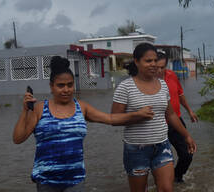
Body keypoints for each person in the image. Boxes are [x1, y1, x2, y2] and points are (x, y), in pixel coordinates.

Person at [13, 56, 154, 192]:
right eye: (60, 85)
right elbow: (18, 138)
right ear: (51, 86)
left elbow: (110, 119)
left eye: (70, 85)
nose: (66, 90)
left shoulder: (81, 107)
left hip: (75, 179)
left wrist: (137, 115)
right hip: (46, 181)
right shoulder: (39, 108)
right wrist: (25, 111)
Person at [111, 43, 197, 192]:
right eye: (148, 61)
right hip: (136, 149)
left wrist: (187, 136)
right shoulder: (125, 87)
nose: (153, 64)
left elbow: (170, 115)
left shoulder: (163, 85)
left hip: (162, 146)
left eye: (155, 60)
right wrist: (136, 115)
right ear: (137, 62)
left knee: (166, 189)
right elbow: (114, 119)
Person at [156, 51, 199, 183]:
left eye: (162, 67)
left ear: (166, 65)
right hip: (157, 126)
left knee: (187, 155)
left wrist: (190, 111)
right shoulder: (147, 82)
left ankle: (176, 177)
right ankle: (162, 181)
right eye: (156, 67)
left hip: (175, 121)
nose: (158, 70)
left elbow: (180, 94)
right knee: (160, 161)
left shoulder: (171, 75)